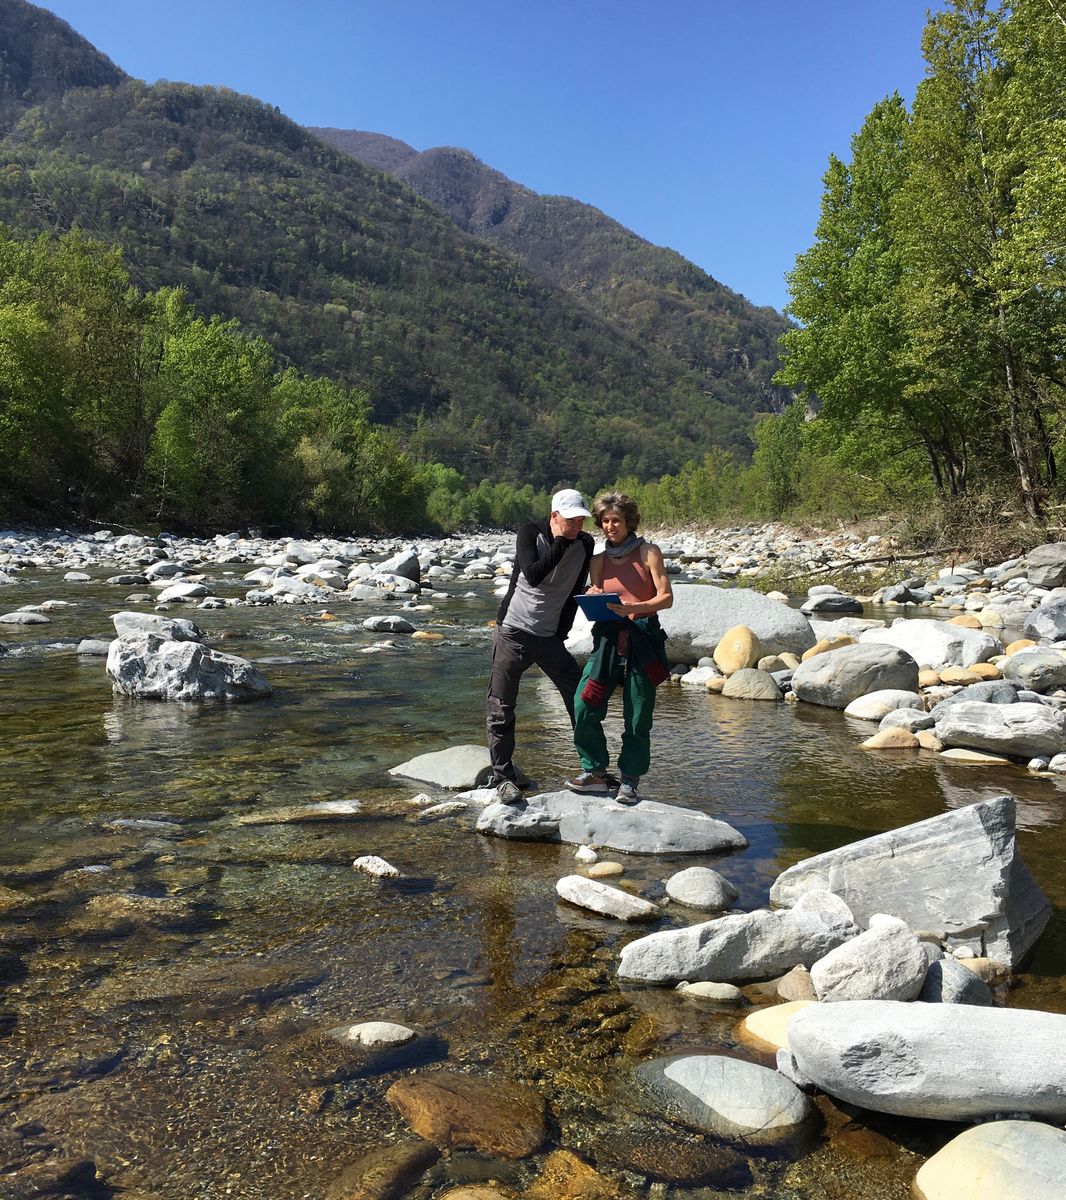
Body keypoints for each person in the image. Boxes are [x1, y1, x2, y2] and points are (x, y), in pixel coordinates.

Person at [487, 488, 594, 804]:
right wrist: (560, 543)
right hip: (513, 633)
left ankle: (593, 771)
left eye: (581, 521)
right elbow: (533, 575)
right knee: (501, 707)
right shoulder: (530, 533)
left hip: (549, 638)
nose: (577, 527)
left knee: (581, 697)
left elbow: (574, 589)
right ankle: (504, 780)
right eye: (571, 521)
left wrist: (562, 633)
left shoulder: (585, 545)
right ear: (554, 517)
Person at [567, 492, 672, 804]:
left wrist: (632, 608)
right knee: (584, 704)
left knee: (638, 714)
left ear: (629, 522)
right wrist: (593, 593)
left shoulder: (649, 552)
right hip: (608, 639)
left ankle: (629, 780)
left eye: (616, 520)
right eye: (605, 521)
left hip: (644, 637)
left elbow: (666, 598)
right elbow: (597, 592)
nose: (610, 526)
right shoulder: (597, 560)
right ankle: (595, 771)